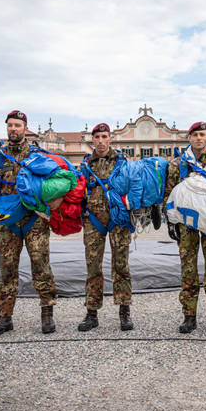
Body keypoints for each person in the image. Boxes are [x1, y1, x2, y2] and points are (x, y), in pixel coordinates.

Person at [0, 110, 57, 336]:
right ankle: (5, 317)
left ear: (25, 128)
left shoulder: (38, 155)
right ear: (7, 128)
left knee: (41, 267)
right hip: (8, 224)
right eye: (10, 125)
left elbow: (51, 184)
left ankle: (47, 314)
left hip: (35, 222)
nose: (13, 129)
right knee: (7, 270)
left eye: (17, 125)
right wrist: (11, 206)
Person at [163, 121, 206, 334]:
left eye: (202, 134)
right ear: (189, 138)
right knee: (188, 269)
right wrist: (170, 220)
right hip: (186, 223)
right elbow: (169, 194)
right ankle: (189, 317)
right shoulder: (177, 165)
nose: (199, 138)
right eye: (195, 135)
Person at [77, 123, 133, 332]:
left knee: (121, 267)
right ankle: (92, 313)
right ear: (92, 140)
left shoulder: (123, 162)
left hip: (118, 220)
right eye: (97, 137)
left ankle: (124, 311)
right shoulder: (85, 165)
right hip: (93, 221)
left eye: (104, 137)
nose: (100, 141)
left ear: (111, 139)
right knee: (93, 268)